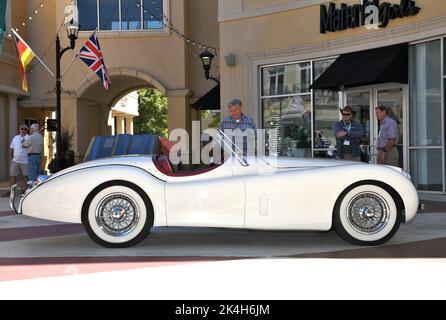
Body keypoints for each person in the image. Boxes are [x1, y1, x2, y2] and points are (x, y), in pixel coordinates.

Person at [2, 125, 29, 197]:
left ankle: (24, 191)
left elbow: (30, 148)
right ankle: (11, 191)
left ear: (27, 130)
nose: (23, 130)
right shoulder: (15, 138)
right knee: (12, 176)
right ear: (19, 129)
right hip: (15, 161)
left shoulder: (29, 138)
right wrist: (11, 158)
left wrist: (25, 142)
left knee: (25, 176)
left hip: (25, 161)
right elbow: (11, 148)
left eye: (25, 129)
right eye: (21, 129)